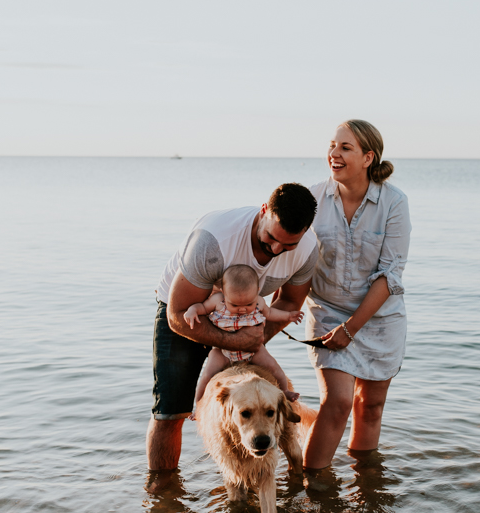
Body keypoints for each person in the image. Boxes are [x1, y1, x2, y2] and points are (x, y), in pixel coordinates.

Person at [148, 183, 318, 471]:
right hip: (189, 313)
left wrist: (254, 338)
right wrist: (237, 343)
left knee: (252, 399)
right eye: (271, 238)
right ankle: (164, 496)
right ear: (263, 211)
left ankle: (254, 476)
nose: (276, 249)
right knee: (171, 411)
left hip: (243, 316)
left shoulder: (307, 249)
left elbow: (290, 302)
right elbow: (177, 315)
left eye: (288, 245)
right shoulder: (214, 240)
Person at [302, 120, 411, 469]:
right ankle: (312, 486)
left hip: (379, 319)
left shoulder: (394, 203)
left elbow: (390, 276)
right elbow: (291, 259)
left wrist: (352, 328)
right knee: (337, 402)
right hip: (327, 312)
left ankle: (366, 491)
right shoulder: (313, 199)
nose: (334, 153)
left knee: (371, 407)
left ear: (368, 157)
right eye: (332, 145)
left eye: (345, 148)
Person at [184, 264, 303, 406]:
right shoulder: (218, 301)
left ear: (257, 292)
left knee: (274, 367)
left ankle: (284, 390)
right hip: (223, 351)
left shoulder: (259, 302)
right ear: (223, 293)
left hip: (253, 350)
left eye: (248, 304)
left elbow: (270, 313)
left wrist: (288, 315)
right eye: (234, 305)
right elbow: (202, 308)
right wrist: (192, 310)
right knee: (207, 376)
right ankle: (199, 405)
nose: (242, 309)